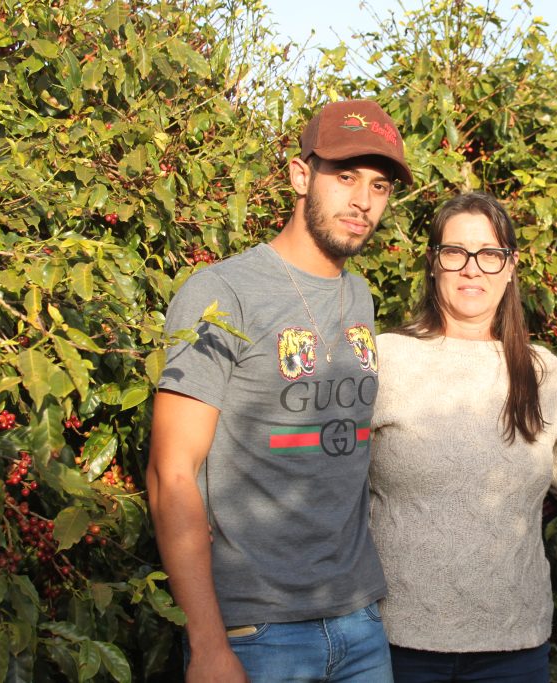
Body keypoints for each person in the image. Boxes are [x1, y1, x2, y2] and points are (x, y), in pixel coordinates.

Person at [146, 99, 413, 682]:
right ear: (300, 175)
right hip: (257, 634)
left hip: (360, 620)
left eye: (379, 186)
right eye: (344, 177)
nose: (363, 201)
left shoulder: (361, 296)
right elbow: (171, 474)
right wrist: (210, 644)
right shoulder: (220, 292)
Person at [368, 191, 557, 682]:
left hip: (514, 649)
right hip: (396, 644)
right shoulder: (384, 360)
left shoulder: (544, 374)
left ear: (510, 266)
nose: (471, 269)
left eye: (490, 254)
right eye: (455, 252)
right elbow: (318, 478)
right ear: (433, 263)